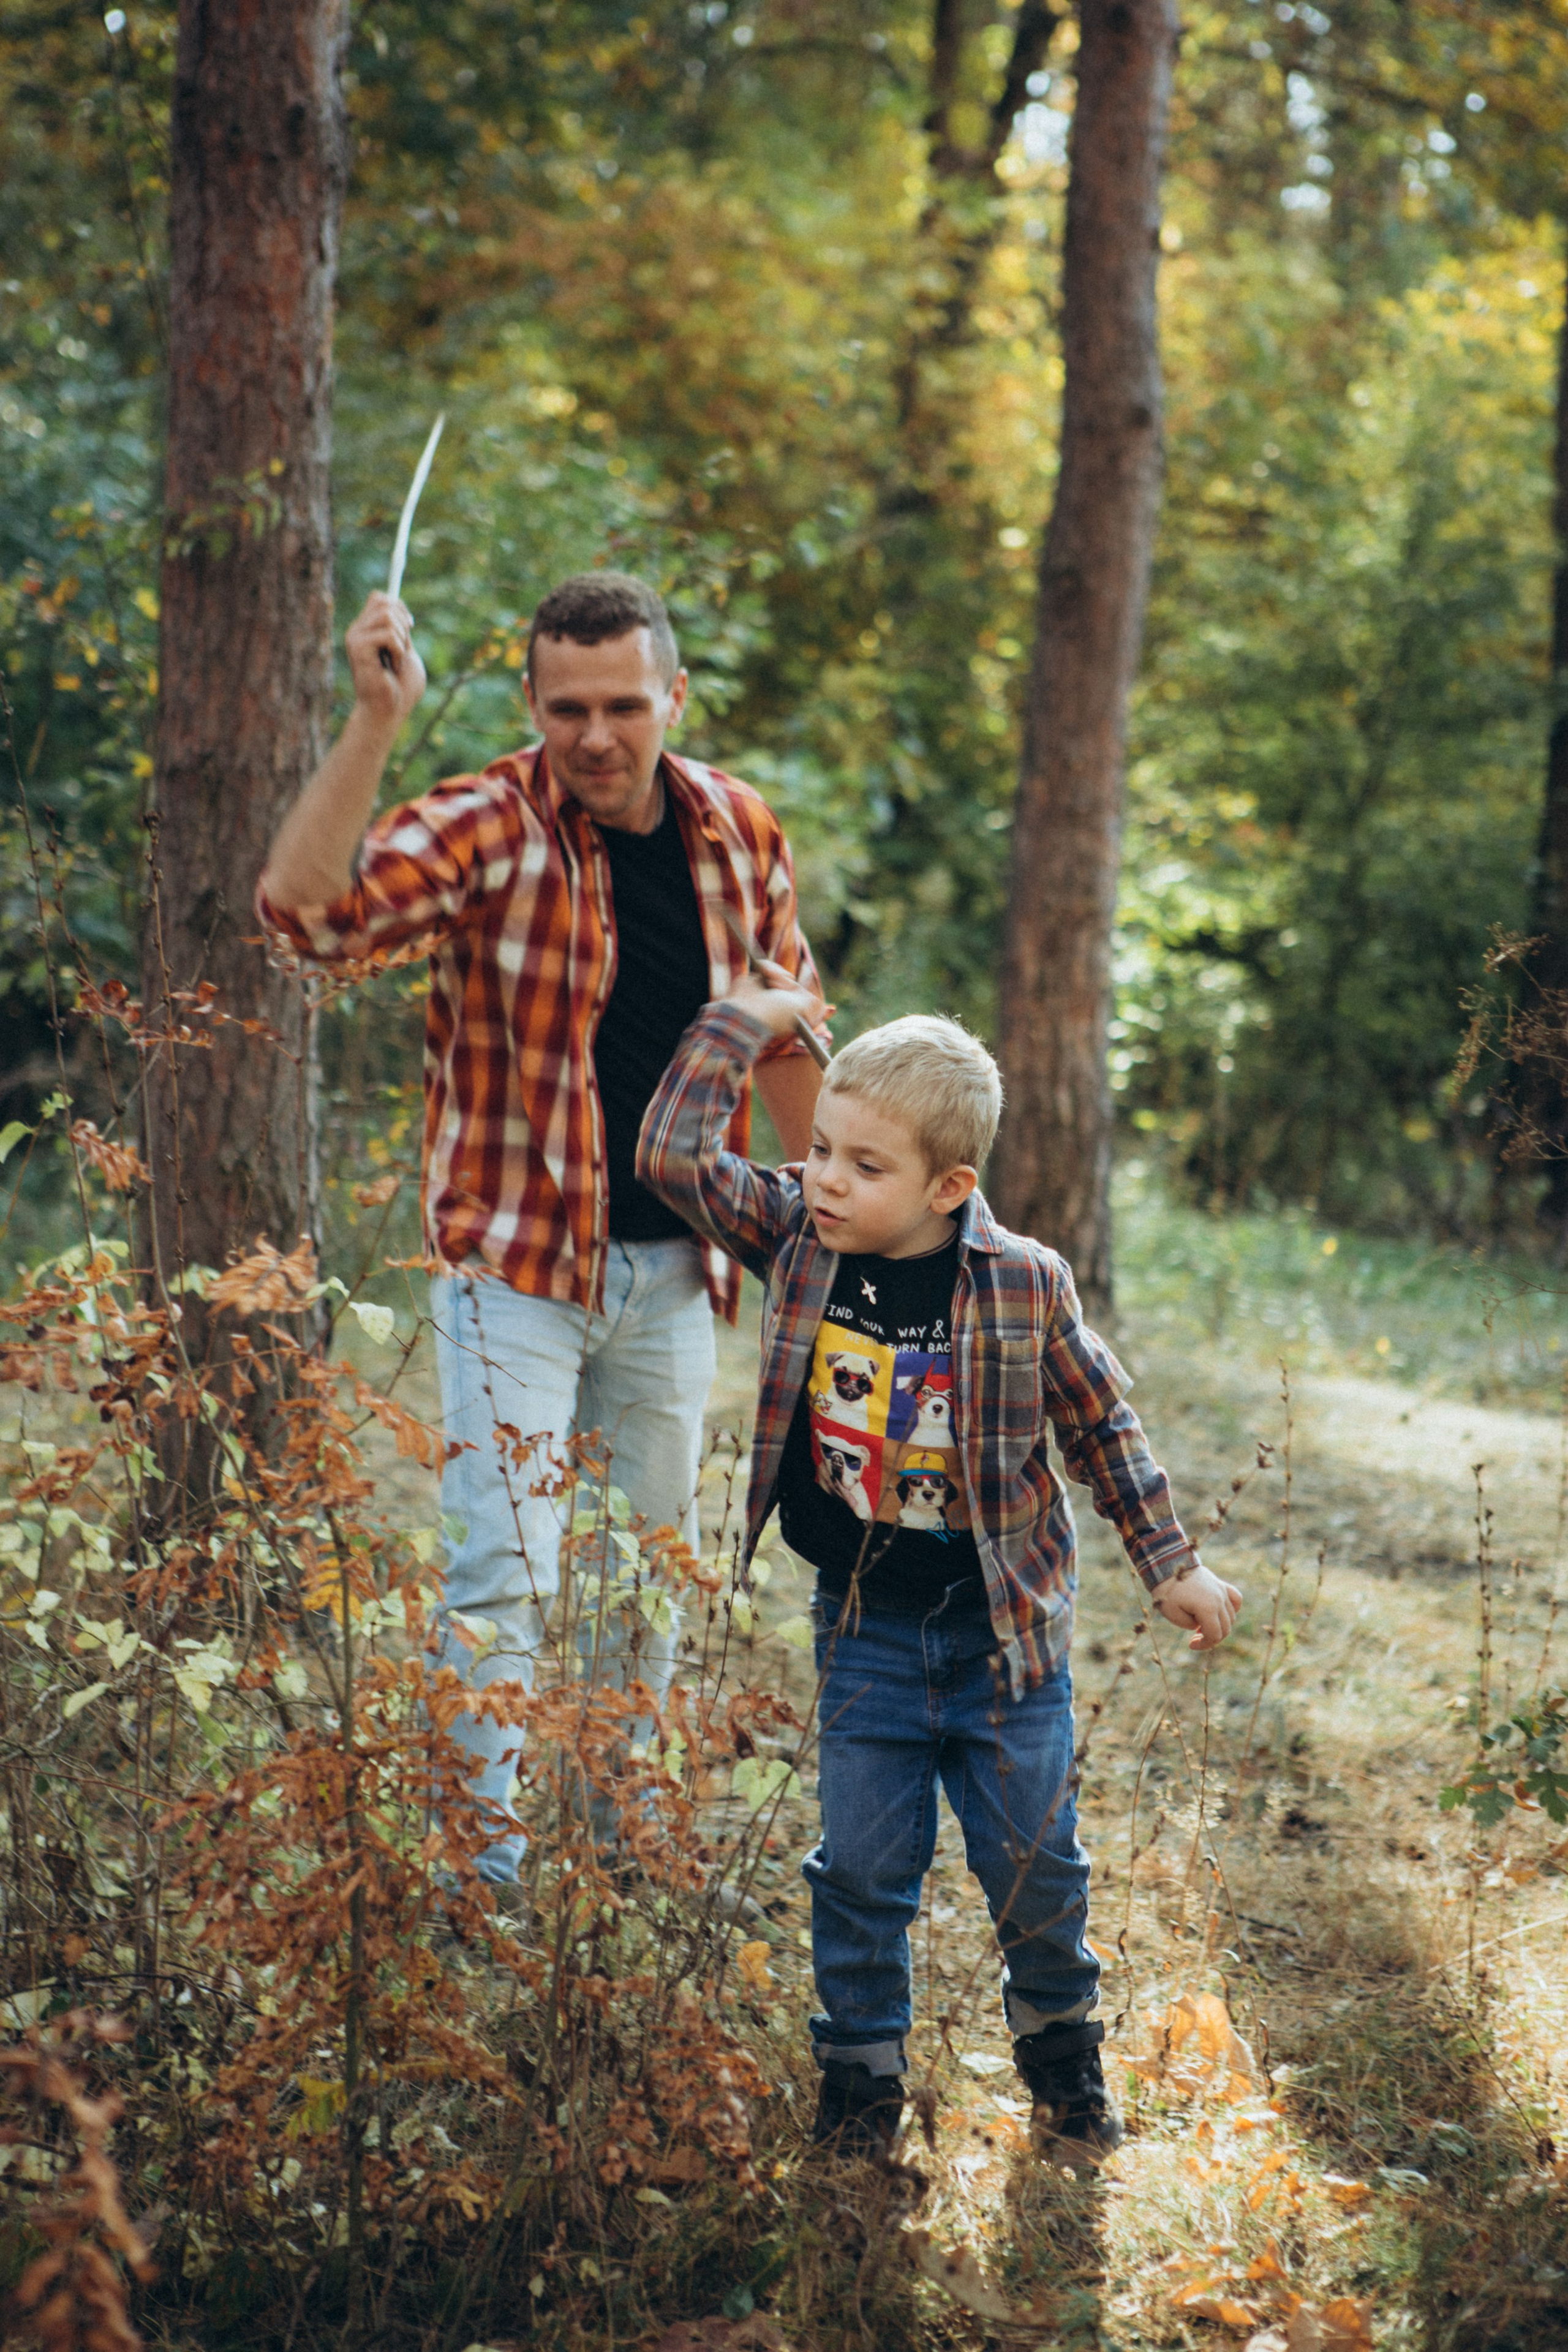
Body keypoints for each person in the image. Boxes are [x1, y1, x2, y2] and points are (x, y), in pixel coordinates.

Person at [258, 571, 823, 1894]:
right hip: (512, 1269)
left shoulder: (737, 829)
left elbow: (789, 1021)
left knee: (646, 1581)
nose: (595, 735)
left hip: (678, 1273)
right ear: (532, 703)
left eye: (624, 704)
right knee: (499, 1576)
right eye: (567, 707)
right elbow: (305, 917)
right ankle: (484, 1885)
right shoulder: (483, 825)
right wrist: (372, 724)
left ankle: (620, 1863)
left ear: (672, 698)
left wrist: (820, 1224)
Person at [636, 978, 1243, 2162]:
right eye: (819, 1151)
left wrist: (1169, 1559)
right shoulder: (795, 1239)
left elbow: (1100, 1423)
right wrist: (740, 1025)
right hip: (861, 1628)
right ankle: (860, 2097)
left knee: (1036, 1872)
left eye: (865, 1166)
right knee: (861, 1872)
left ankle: (1066, 2074)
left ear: (949, 1186)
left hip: (1004, 1639)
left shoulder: (1024, 1282)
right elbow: (670, 1153)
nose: (824, 1180)